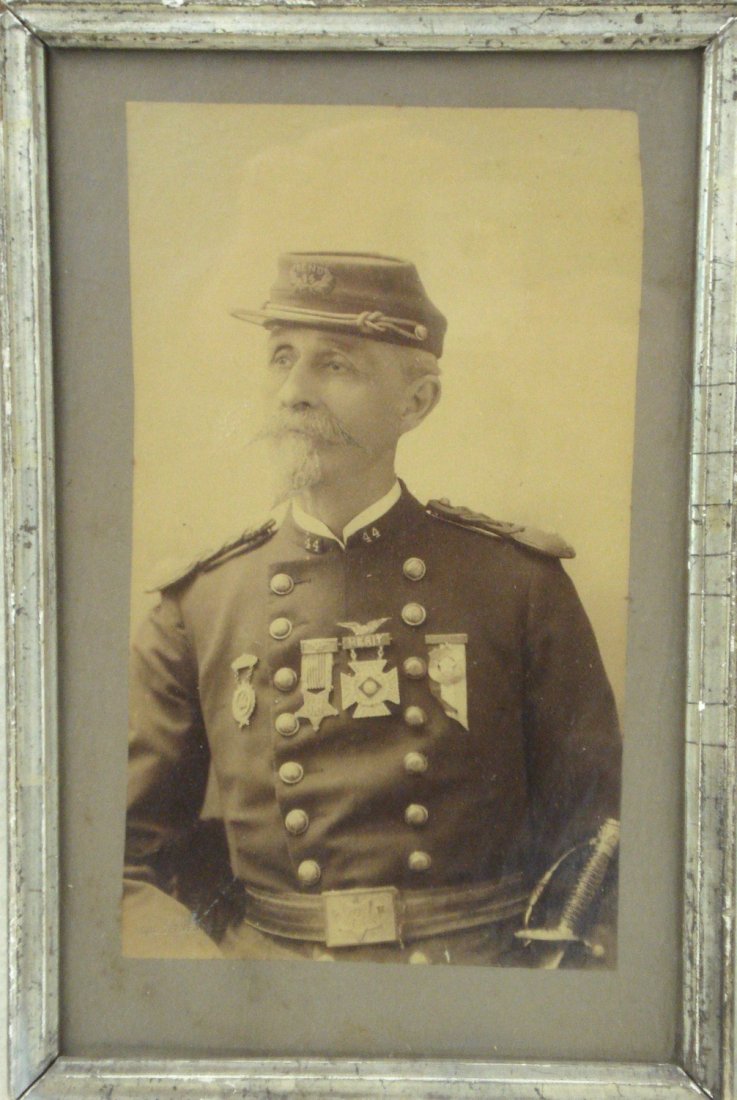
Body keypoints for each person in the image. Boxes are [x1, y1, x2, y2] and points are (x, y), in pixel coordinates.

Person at [123, 252, 621, 965]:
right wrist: (211, 987)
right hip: (268, 988)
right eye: (280, 358)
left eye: (335, 365)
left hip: (474, 977)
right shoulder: (200, 601)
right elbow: (120, 861)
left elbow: (597, 831)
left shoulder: (515, 582)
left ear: (415, 402)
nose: (293, 391)